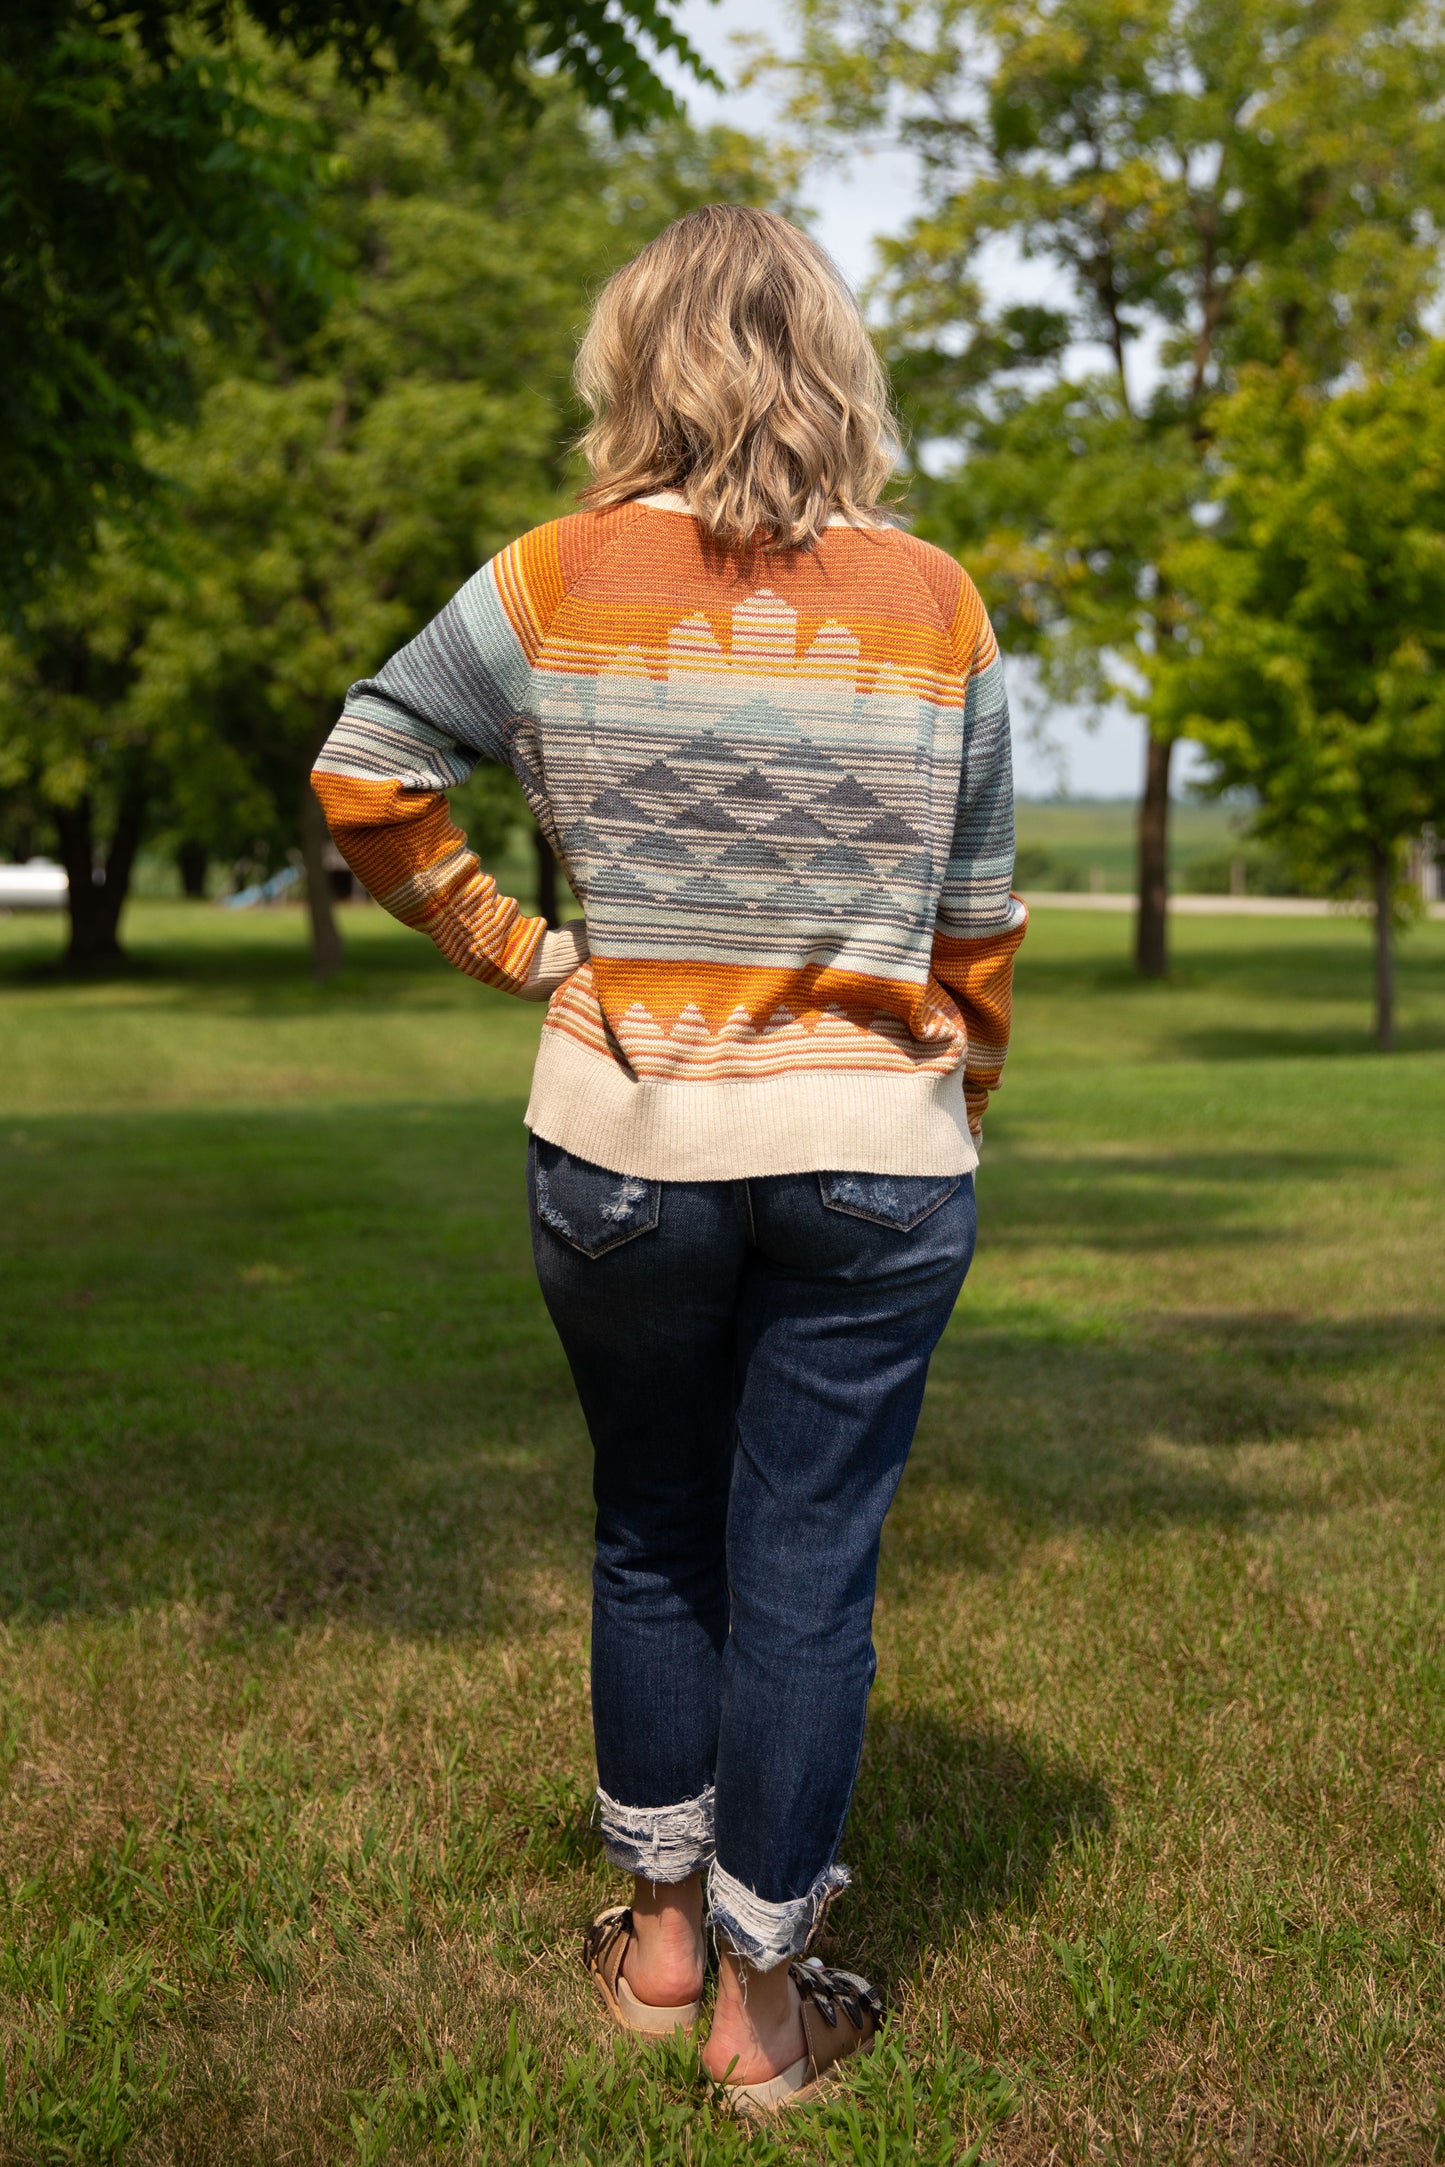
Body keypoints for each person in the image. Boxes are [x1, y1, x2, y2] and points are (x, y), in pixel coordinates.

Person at [312, 203, 1025, 2117]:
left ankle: (651, 1950)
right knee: (805, 1570)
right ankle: (766, 2016)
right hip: (875, 1148)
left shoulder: (550, 581)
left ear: (638, 359)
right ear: (835, 362)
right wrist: (958, 1088)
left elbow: (366, 772)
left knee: (652, 1530)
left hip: (624, 1141)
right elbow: (975, 912)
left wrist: (528, 953)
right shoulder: (933, 599)